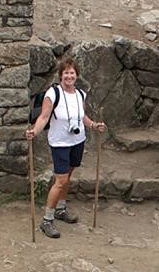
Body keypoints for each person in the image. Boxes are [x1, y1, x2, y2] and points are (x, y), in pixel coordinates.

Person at [26, 57, 106, 239]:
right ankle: (47, 219)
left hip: (77, 141)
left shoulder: (80, 94)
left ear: (77, 75)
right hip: (60, 143)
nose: (69, 76)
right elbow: (44, 117)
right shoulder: (53, 94)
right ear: (60, 75)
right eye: (66, 73)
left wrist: (94, 125)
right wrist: (34, 131)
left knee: (68, 176)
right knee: (61, 180)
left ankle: (61, 209)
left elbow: (81, 116)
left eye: (72, 73)